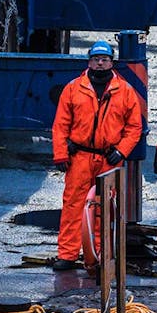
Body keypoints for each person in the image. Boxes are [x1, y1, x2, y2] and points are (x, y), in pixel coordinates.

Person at [51, 40, 142, 271]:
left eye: (104, 60)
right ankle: (67, 255)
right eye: (96, 59)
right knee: (73, 206)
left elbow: (134, 128)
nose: (100, 64)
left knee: (104, 209)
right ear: (89, 61)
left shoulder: (126, 91)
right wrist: (61, 153)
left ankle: (100, 254)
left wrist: (121, 151)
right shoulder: (73, 88)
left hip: (108, 159)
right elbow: (60, 124)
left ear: (112, 62)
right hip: (79, 158)